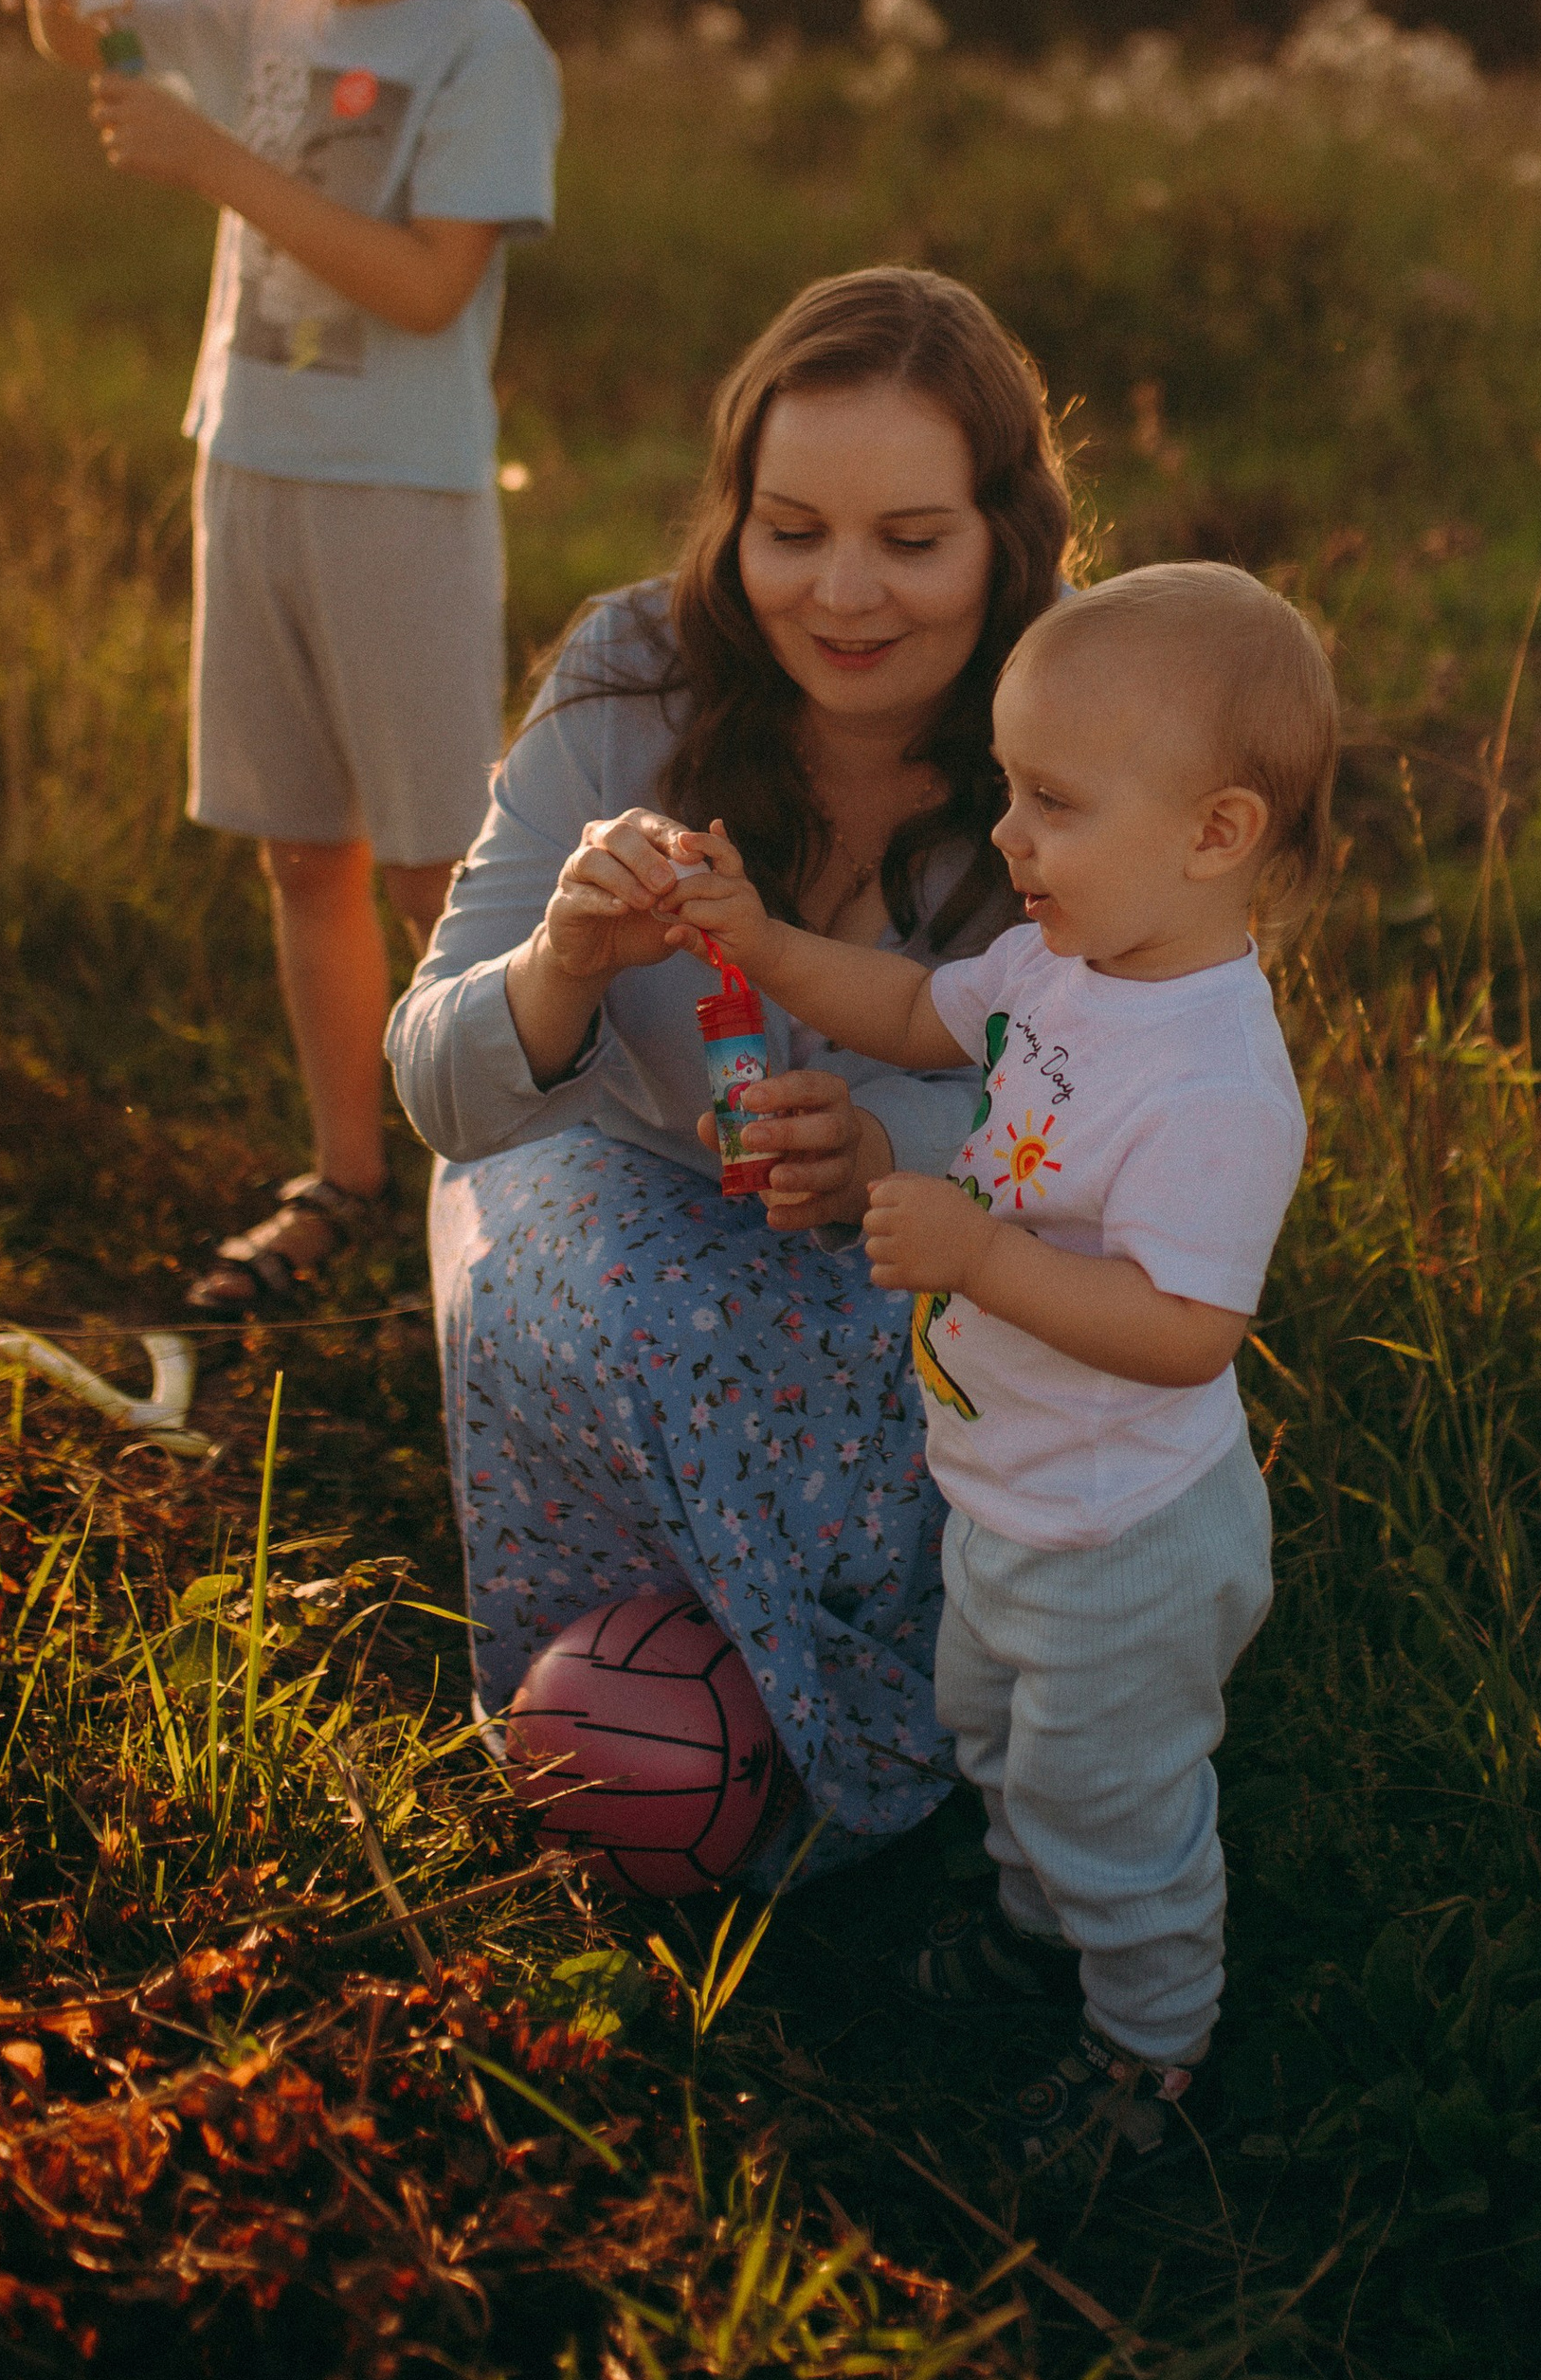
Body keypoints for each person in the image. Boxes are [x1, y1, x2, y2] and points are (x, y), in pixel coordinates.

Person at [638, 560, 1337, 2175]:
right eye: (1011, 792)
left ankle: (1152, 2052)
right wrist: (764, 937)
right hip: (1013, 1493)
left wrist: (985, 1257)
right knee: (1001, 1742)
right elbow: (901, 1010)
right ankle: (1036, 1932)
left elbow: (1190, 1334)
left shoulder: (1220, 1083)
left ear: (1214, 835)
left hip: (1129, 1534)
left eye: (1054, 804)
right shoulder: (1057, 965)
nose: (1008, 837)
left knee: (1116, 1805)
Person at [387, 268, 1078, 1866]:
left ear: (1006, 537)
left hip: (932, 1245)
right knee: (608, 1303)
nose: (843, 595)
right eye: (792, 530)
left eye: (912, 540)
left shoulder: (1071, 733)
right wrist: (559, 967)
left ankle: (857, 1767)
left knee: (966, 1382)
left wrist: (894, 1143)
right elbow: (438, 1084)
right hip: (614, 1211)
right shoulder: (632, 678)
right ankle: (636, 1713)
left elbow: (1129, 1079)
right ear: (733, 522)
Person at [0, 0, 560, 1313]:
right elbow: (95, 36)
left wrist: (216, 165)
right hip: (248, 479)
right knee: (299, 852)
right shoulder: (255, 5)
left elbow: (428, 287)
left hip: (398, 501)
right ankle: (346, 1169)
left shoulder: (484, 46)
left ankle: (505, 1200)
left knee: (425, 864)